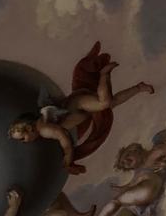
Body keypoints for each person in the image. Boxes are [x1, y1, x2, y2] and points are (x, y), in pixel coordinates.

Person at [9, 54, 153, 175]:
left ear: (29, 129)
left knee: (104, 103)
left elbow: (63, 137)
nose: (24, 142)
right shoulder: (41, 126)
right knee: (112, 102)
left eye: (22, 138)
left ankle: (104, 74)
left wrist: (68, 155)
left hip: (78, 104)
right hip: (81, 108)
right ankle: (139, 88)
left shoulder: (44, 130)